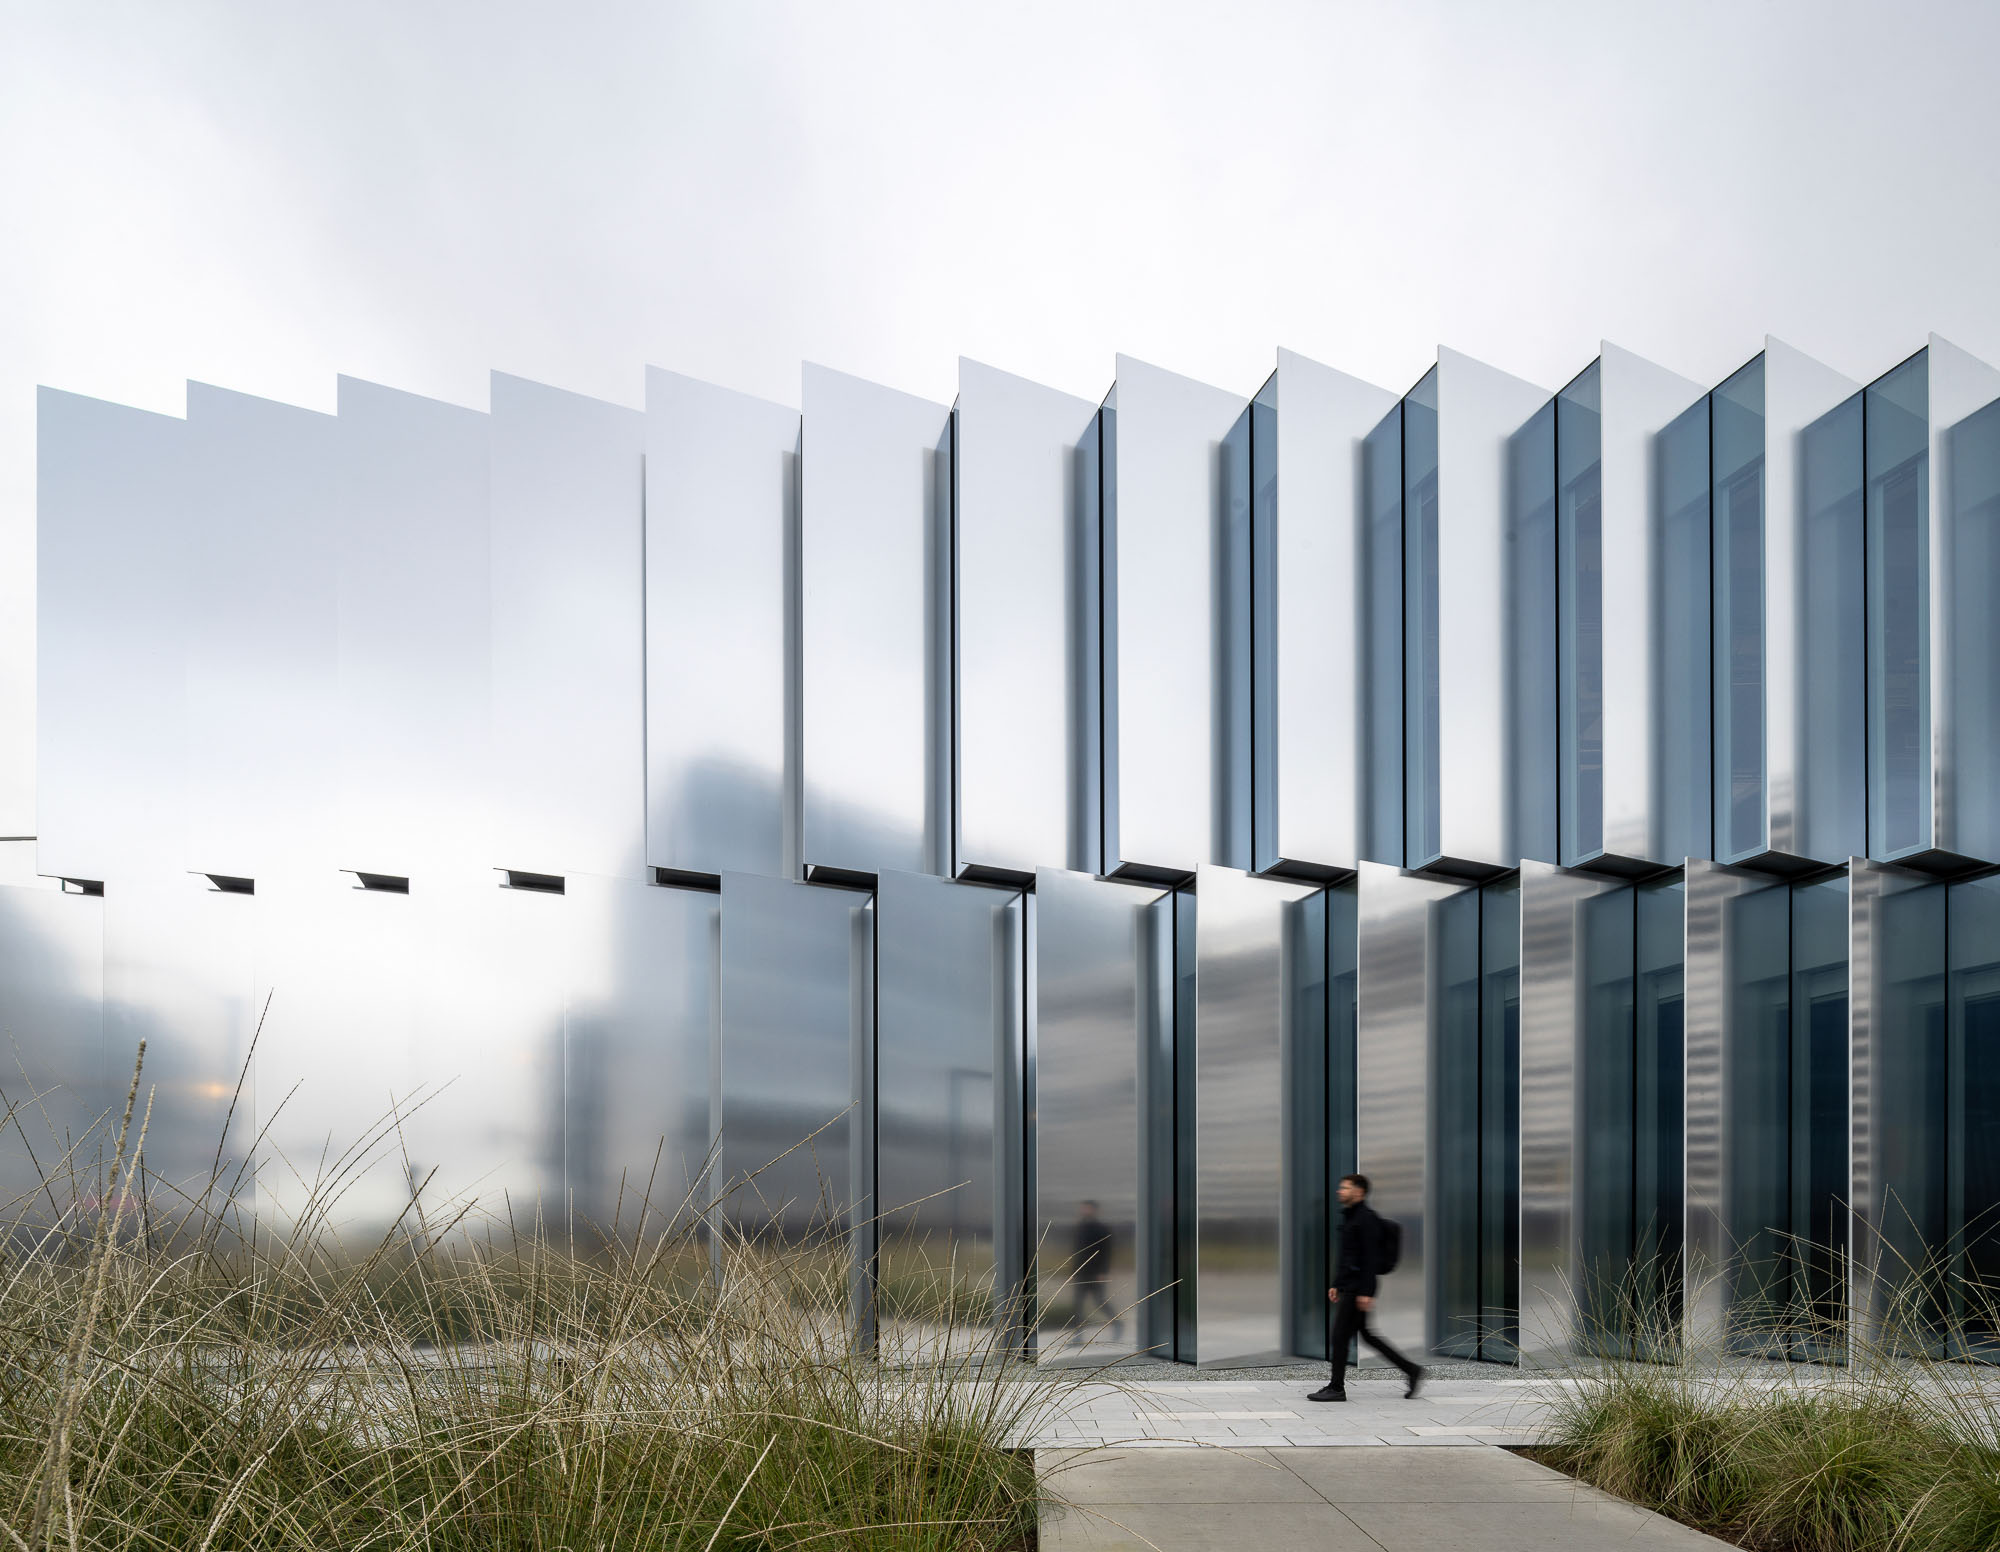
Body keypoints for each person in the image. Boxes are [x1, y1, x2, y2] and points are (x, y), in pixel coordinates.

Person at [1309, 1173, 1425, 1402]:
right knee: (1368, 1336)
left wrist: (1366, 1292)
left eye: (1345, 1188)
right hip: (1351, 1286)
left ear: (1359, 1192)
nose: (1339, 1191)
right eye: (1340, 1187)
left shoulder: (1366, 1219)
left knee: (1340, 1337)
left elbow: (1369, 1259)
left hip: (1359, 1288)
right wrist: (1336, 1284)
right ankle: (1412, 1370)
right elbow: (1348, 1256)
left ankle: (1337, 1388)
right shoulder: (1351, 1218)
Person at [1071, 1199, 1119, 1338]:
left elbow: (1106, 1251)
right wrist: (1074, 1271)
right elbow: (1076, 1252)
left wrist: (1103, 1271)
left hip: (1096, 1272)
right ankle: (1077, 1336)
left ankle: (1117, 1324)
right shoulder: (1080, 1227)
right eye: (1083, 1208)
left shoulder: (1101, 1228)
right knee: (1078, 1304)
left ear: (1094, 1210)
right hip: (1081, 1272)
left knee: (1100, 1301)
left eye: (1088, 1208)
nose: (1085, 1211)